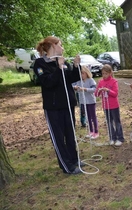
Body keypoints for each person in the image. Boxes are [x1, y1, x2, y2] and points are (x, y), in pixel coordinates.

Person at [33, 36, 82, 174]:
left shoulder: (62, 61)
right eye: (60, 45)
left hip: (67, 104)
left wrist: (76, 66)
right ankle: (67, 166)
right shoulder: (40, 63)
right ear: (53, 46)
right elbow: (48, 82)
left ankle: (74, 160)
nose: (63, 48)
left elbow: (72, 79)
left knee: (70, 134)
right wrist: (59, 68)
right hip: (53, 108)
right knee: (59, 138)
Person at [95, 64, 124, 146]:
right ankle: (112, 137)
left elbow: (115, 94)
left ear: (110, 73)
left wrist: (108, 90)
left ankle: (120, 138)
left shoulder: (114, 81)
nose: (104, 75)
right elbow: (96, 94)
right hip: (105, 106)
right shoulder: (101, 82)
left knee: (116, 122)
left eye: (106, 73)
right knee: (109, 122)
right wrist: (99, 90)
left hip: (114, 106)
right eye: (103, 73)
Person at [73, 66, 99, 139]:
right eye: (80, 74)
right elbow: (75, 87)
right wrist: (76, 88)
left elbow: (94, 89)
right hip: (83, 102)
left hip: (91, 101)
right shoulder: (79, 81)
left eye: (83, 73)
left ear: (86, 73)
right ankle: (91, 131)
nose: (81, 75)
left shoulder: (91, 80)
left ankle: (96, 132)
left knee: (93, 116)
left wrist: (85, 89)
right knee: (88, 117)